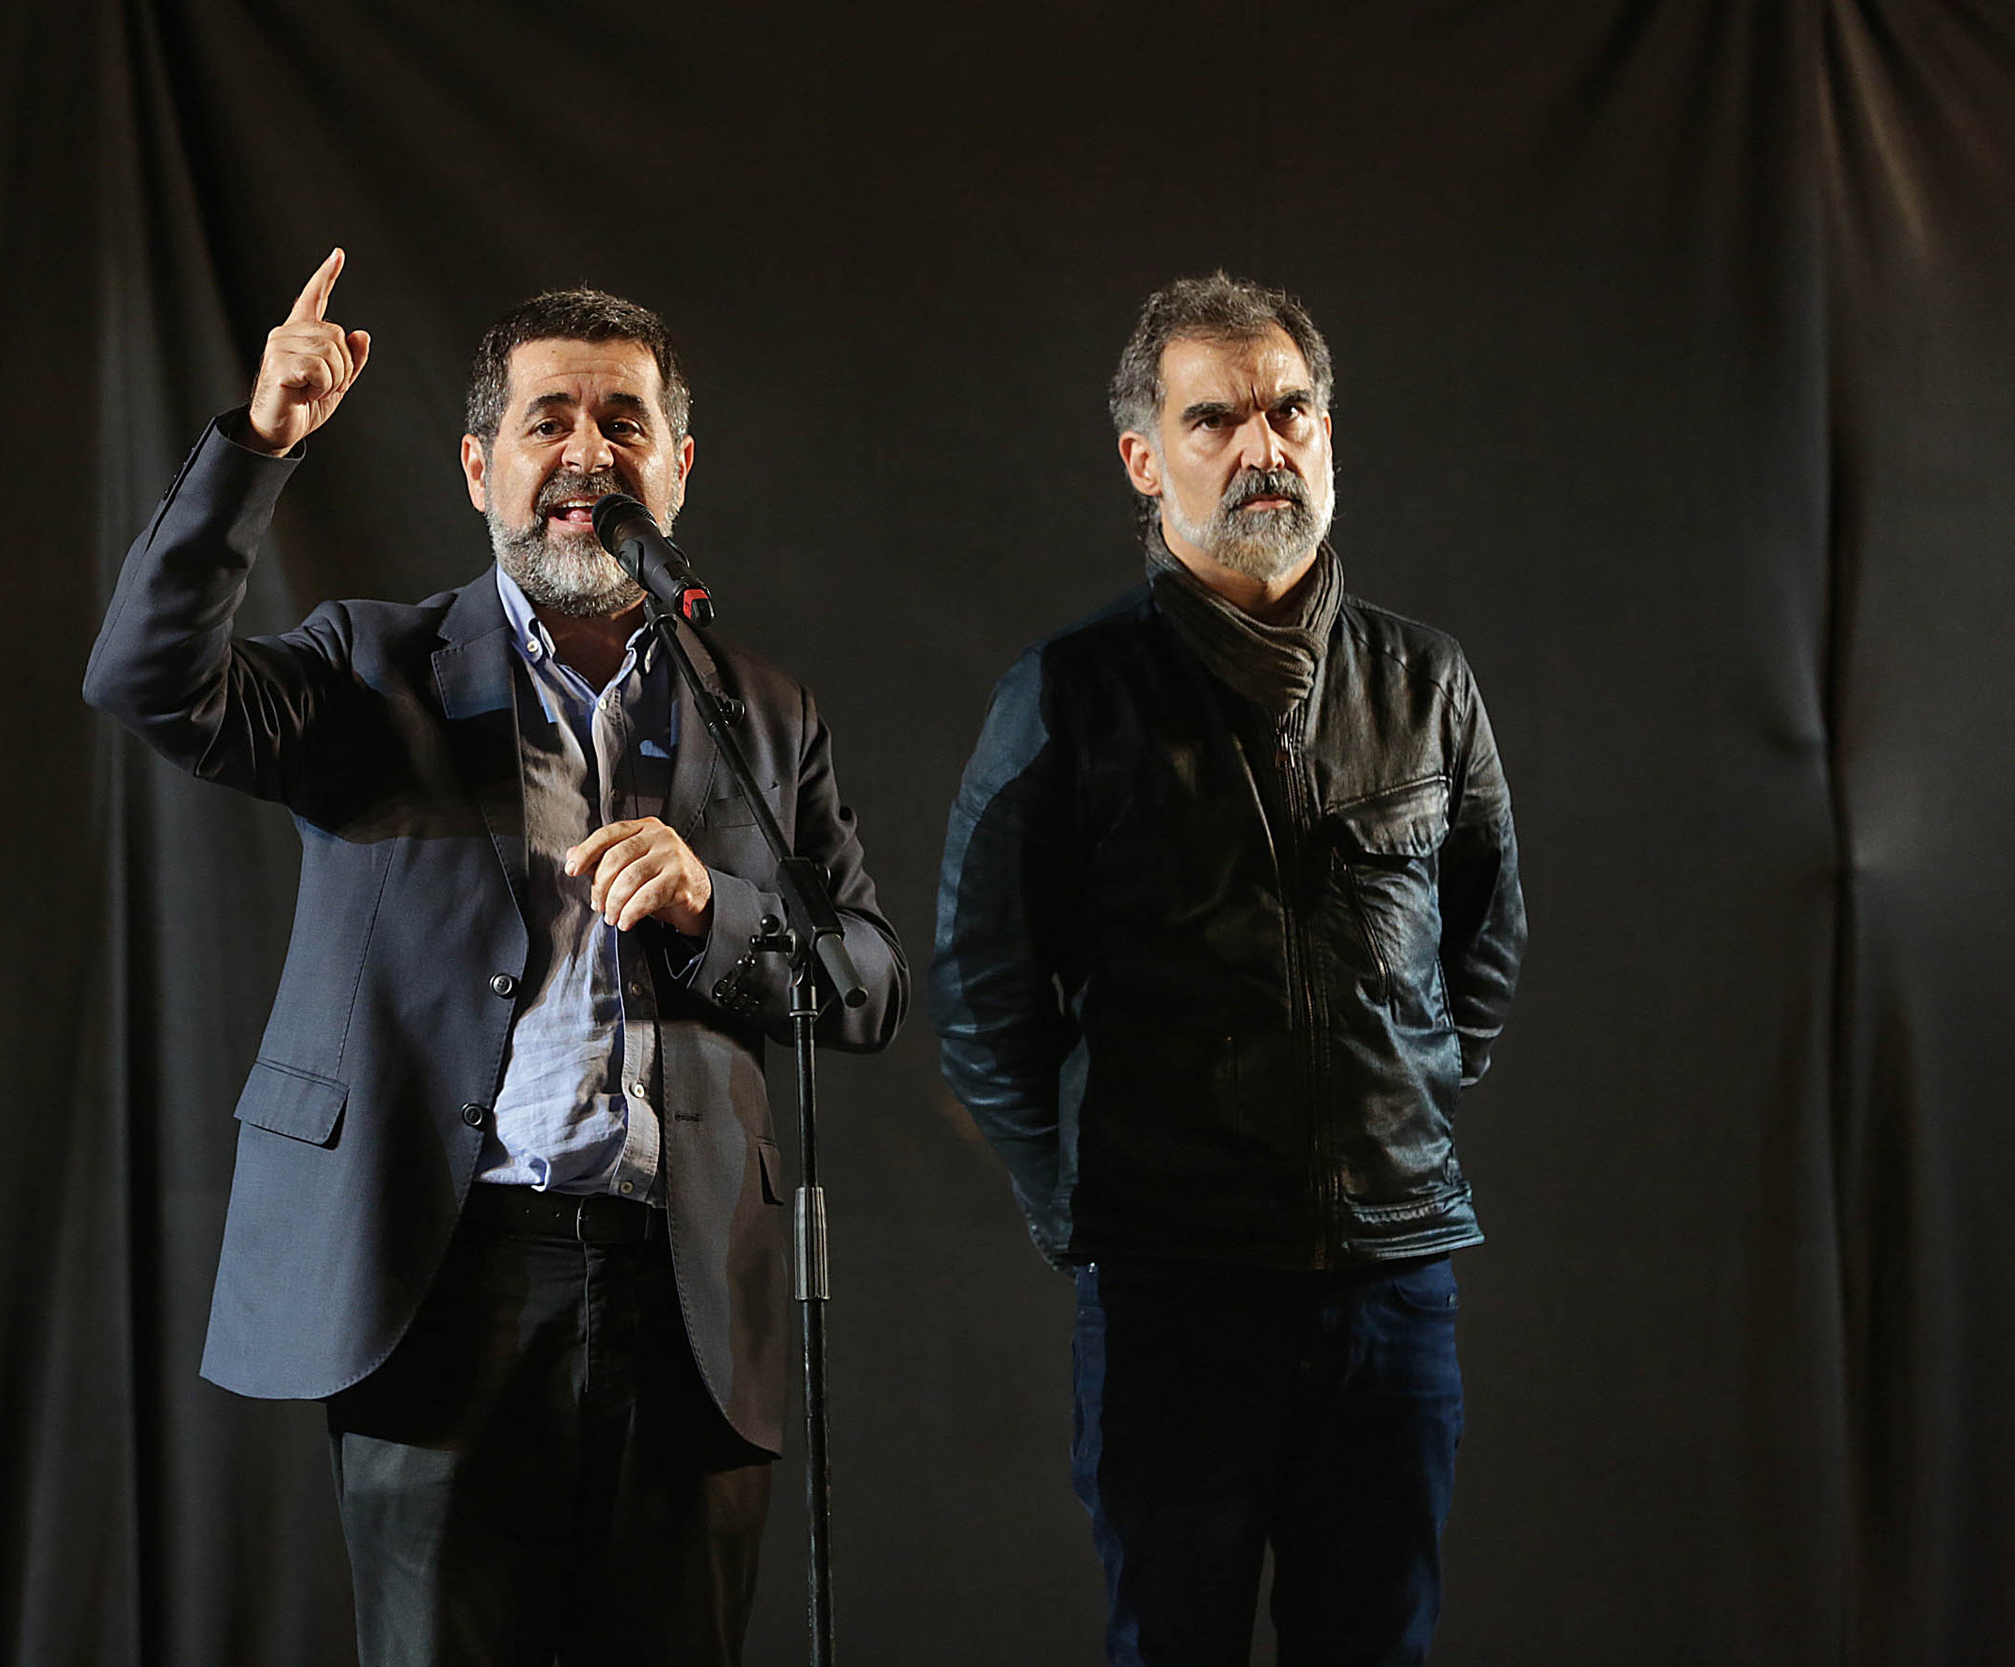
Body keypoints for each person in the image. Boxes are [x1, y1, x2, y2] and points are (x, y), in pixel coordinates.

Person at [85, 250, 906, 1667]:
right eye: (548, 422)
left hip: (685, 1298)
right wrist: (259, 444)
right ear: (480, 468)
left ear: (681, 467)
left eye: (624, 423)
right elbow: (146, 677)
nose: (587, 453)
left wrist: (718, 905)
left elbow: (873, 980)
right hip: (445, 1285)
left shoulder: (765, 714)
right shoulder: (371, 667)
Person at [931, 273, 1526, 1666]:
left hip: (1392, 1287)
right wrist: (1092, 1204)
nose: (1265, 445)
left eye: (1291, 409)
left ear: (1329, 430)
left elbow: (1484, 947)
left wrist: (1405, 1101)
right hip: (1172, 1299)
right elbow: (981, 1000)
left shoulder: (1426, 682)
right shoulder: (1070, 694)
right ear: (1145, 461)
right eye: (1217, 419)